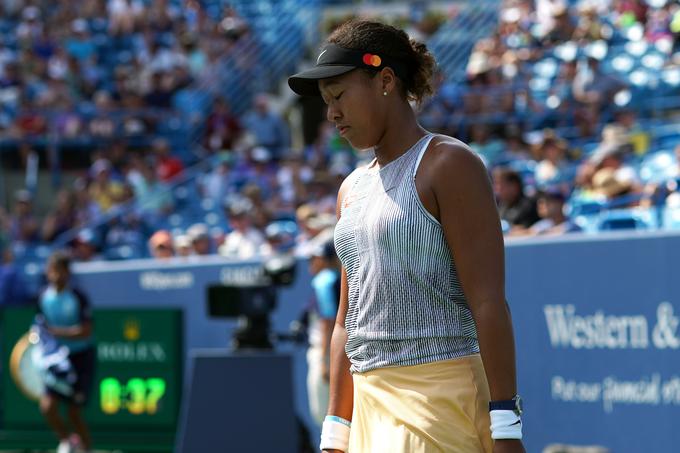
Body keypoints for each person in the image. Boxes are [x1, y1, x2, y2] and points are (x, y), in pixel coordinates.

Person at [288, 19, 525, 453]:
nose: (332, 114)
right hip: (367, 410)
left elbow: (488, 302)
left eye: (339, 96)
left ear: (385, 80)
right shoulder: (350, 189)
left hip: (441, 402)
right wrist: (335, 434)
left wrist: (506, 425)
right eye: (326, 102)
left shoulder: (449, 164)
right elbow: (347, 322)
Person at [37, 252, 95, 453]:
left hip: (80, 359)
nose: (54, 275)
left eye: (58, 270)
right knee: (47, 407)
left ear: (67, 272)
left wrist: (55, 332)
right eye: (51, 270)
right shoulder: (44, 297)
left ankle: (86, 449)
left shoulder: (78, 297)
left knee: (74, 413)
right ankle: (66, 442)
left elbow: (86, 330)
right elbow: (41, 327)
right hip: (56, 360)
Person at [306, 241, 341, 427]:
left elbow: (328, 322)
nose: (311, 262)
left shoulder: (324, 281)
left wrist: (325, 360)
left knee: (324, 415)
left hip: (325, 352)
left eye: (315, 258)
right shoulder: (333, 279)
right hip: (336, 352)